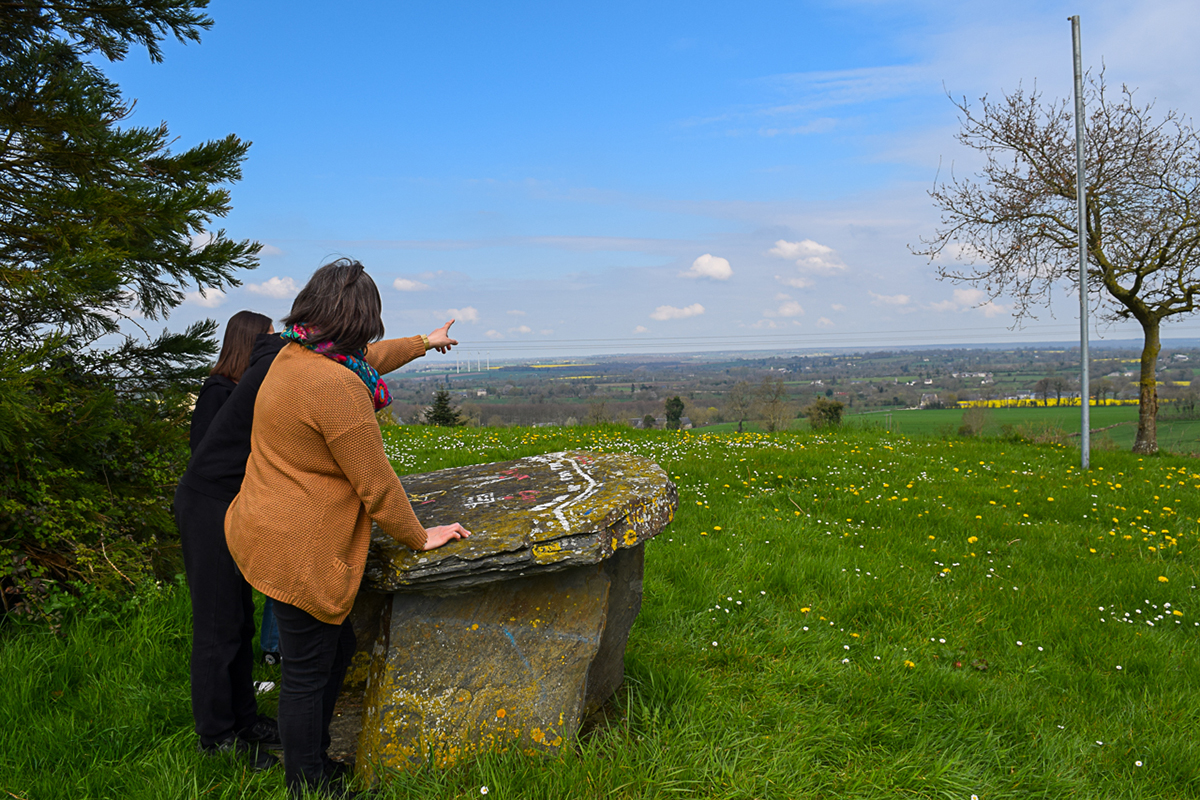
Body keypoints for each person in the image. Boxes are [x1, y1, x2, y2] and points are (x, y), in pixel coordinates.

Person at [225, 259, 468, 799]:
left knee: (334, 650)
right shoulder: (336, 388)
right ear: (361, 319)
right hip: (298, 547)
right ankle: (306, 780)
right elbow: (376, 483)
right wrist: (418, 534)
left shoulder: (294, 353)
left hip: (261, 526)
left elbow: (370, 360)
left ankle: (309, 758)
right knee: (309, 670)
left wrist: (423, 343)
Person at [177, 310, 281, 770]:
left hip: (231, 511)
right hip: (209, 512)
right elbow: (208, 459)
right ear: (251, 344)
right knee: (217, 627)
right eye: (268, 340)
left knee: (238, 619)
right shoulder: (219, 394)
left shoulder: (239, 391)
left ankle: (244, 720)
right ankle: (216, 736)